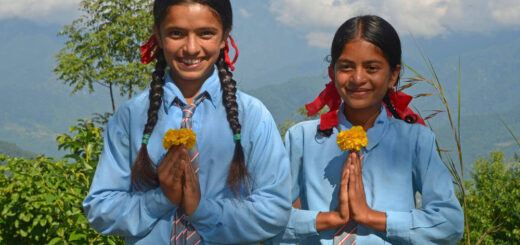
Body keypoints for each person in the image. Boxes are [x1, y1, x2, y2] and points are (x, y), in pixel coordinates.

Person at [83, 0, 291, 244]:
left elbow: (275, 210)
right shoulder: (131, 117)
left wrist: (200, 209)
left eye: (206, 33)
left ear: (225, 37)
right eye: (176, 34)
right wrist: (162, 199)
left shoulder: (253, 117)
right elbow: (99, 208)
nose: (191, 48)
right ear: (158, 37)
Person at [278, 15, 464, 244]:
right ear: (332, 72)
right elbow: (265, 220)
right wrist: (330, 219)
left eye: (372, 68)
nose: (358, 78)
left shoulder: (415, 140)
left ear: (393, 75)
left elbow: (451, 223)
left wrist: (371, 217)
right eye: (346, 67)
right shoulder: (302, 139)